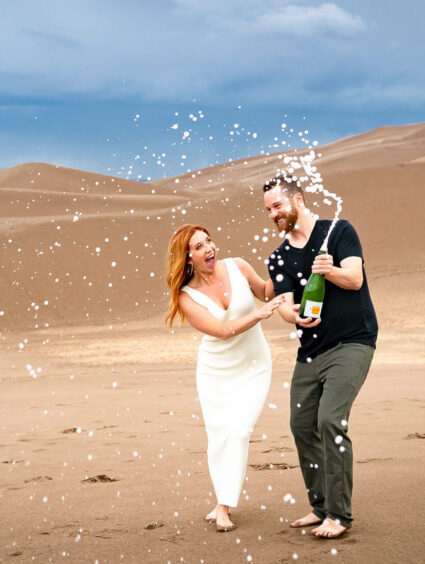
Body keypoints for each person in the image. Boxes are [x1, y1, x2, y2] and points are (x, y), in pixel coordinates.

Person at [262, 175, 378, 539]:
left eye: (278, 205)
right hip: (310, 351)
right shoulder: (278, 256)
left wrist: (329, 271)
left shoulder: (339, 232)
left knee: (330, 420)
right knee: (301, 426)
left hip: (353, 342)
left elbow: (355, 280)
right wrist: (294, 315)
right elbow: (283, 303)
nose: (274, 214)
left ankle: (339, 516)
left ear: (298, 199)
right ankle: (320, 505)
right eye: (268, 210)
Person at [165, 224, 284, 532]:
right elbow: (220, 331)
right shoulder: (186, 296)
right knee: (220, 436)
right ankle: (222, 503)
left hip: (254, 365)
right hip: (216, 372)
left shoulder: (238, 266)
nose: (210, 249)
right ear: (188, 257)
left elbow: (265, 291)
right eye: (200, 246)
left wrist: (286, 264)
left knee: (240, 429)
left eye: (209, 241)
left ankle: (222, 506)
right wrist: (258, 315)